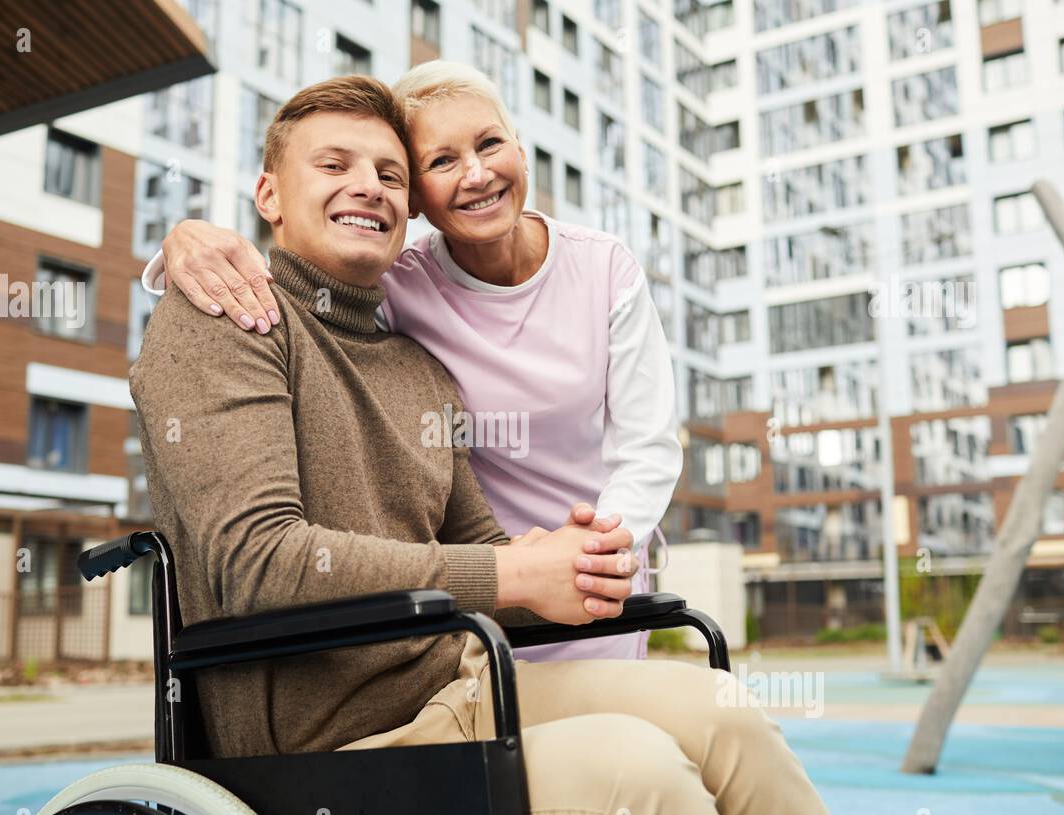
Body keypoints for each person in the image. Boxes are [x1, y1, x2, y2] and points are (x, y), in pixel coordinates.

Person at [130, 73, 854, 815]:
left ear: (411, 216)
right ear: (268, 195)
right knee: (641, 779)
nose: (365, 187)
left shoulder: (419, 368)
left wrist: (579, 563)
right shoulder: (226, 320)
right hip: (331, 742)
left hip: (462, 682)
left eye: (389, 175)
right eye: (333, 166)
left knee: (726, 712)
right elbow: (258, 563)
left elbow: (487, 545)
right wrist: (511, 573)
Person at [141, 60, 681, 662]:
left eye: (387, 175)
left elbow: (647, 445)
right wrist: (186, 243)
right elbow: (282, 292)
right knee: (649, 747)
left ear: (523, 153)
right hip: (475, 614)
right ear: (424, 201)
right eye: (442, 162)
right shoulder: (391, 285)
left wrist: (590, 552)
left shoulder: (586, 276)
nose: (476, 173)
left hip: (555, 577)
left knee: (719, 718)